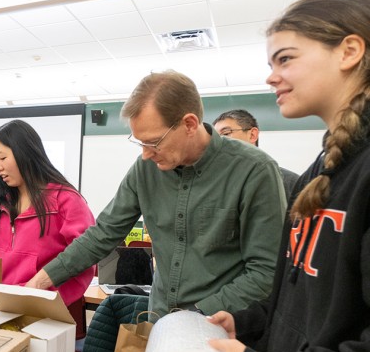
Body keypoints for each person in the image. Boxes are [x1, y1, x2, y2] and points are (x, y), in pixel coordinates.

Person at [175, 0, 370, 352]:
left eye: (285, 59)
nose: (271, 77)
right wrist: (248, 321)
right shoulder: (322, 168)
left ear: (349, 51)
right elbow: (303, 299)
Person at [26, 70, 286, 318]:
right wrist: (40, 281)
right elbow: (102, 234)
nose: (146, 154)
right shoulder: (146, 169)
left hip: (225, 328)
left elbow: (266, 271)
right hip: (159, 319)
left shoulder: (254, 171)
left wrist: (197, 314)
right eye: (140, 142)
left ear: (189, 124)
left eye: (154, 142)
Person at [0, 119, 96, 317]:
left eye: (2, 157)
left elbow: (83, 259)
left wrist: (46, 298)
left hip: (44, 310)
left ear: (25, 153)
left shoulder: (65, 200)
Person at [213, 109, 299, 201]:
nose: (218, 142)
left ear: (252, 135)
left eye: (226, 133)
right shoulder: (216, 183)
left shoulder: (291, 182)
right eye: (215, 138)